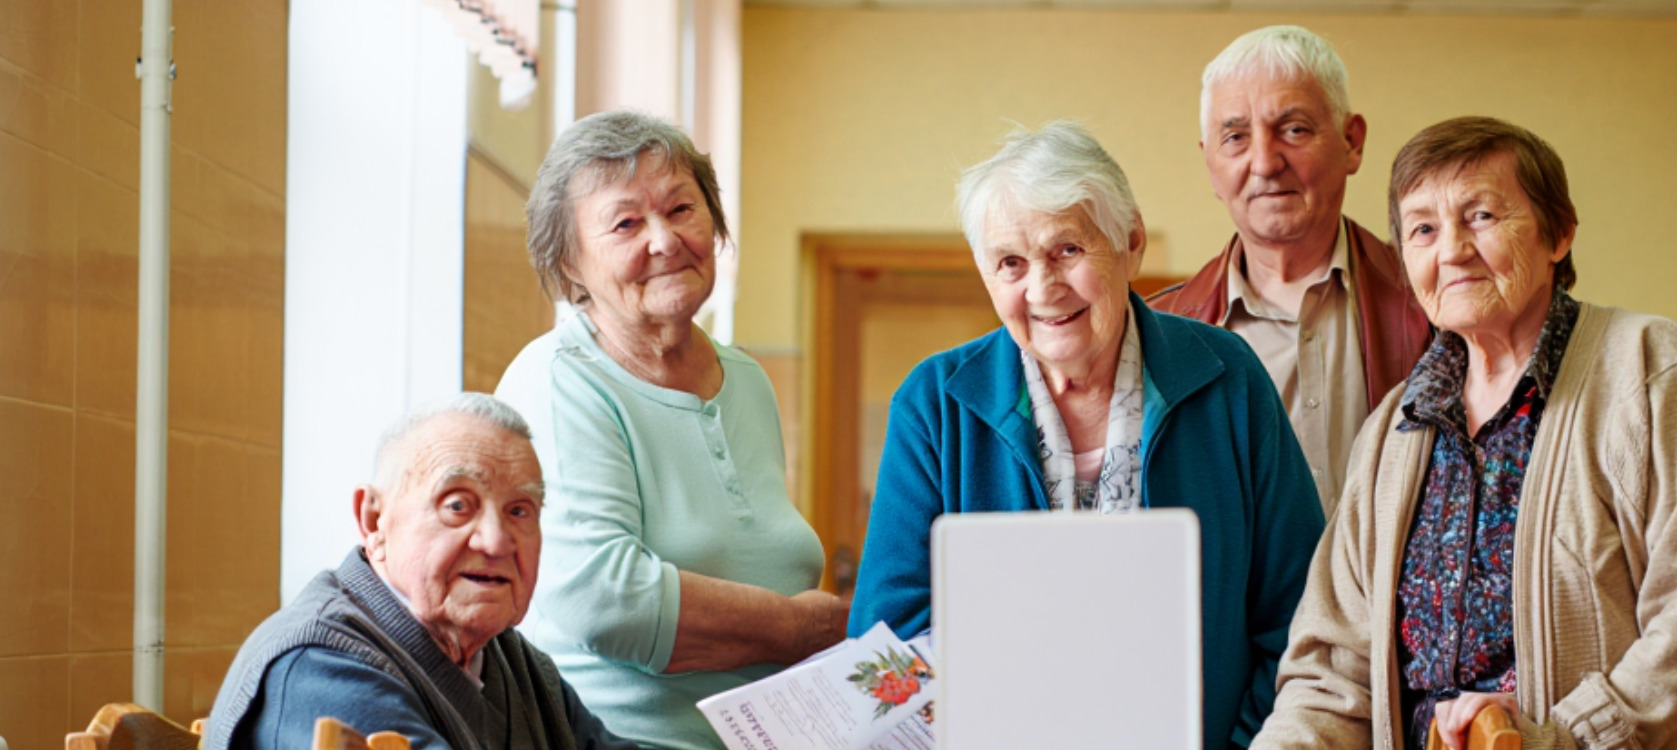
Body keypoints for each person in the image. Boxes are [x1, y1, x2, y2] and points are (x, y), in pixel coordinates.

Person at [1250, 116, 1677, 750]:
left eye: (1483, 217)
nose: (1452, 250)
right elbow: (1332, 676)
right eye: (1423, 229)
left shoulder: (1651, 370)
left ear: (1559, 233)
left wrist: (1563, 742)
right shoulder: (1393, 430)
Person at [847, 121, 1326, 750]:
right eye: (1011, 263)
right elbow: (888, 647)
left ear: (1130, 243)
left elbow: (1300, 620)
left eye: (1067, 250)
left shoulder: (1228, 378)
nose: (1043, 288)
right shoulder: (934, 404)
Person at [494, 110, 846, 749]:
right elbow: (606, 598)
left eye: (682, 209)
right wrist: (794, 629)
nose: (664, 239)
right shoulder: (559, 378)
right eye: (626, 222)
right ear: (570, 263)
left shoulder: (746, 380)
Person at [205, 394, 636, 750]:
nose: (496, 541)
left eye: (519, 510)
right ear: (374, 521)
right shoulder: (319, 666)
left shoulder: (511, 658)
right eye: (457, 505)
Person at [1150, 25, 1433, 512]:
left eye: (1294, 129)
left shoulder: (1436, 302)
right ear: (1210, 165)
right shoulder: (1157, 335)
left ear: (1351, 142)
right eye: (1235, 137)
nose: (1264, 162)